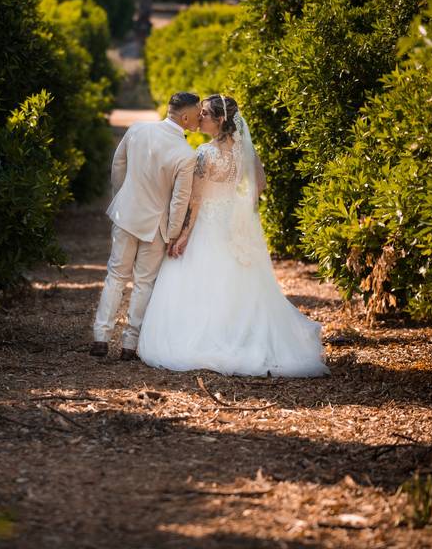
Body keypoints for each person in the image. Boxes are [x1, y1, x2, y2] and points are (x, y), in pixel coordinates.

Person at [138, 94, 329, 377]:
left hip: (206, 223)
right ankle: (239, 335)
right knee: (236, 283)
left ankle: (209, 338)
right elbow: (260, 183)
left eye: (205, 113)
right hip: (231, 222)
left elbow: (195, 200)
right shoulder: (243, 152)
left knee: (203, 279)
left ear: (220, 120)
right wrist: (242, 210)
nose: (200, 117)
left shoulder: (205, 153)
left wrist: (183, 235)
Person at [91, 92, 201, 360]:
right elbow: (179, 200)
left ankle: (100, 336)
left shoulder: (138, 129)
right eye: (198, 114)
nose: (200, 119)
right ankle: (130, 343)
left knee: (115, 277)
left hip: (127, 215)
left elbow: (118, 164)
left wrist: (123, 197)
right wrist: (174, 233)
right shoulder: (186, 154)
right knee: (144, 284)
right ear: (185, 117)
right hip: (156, 226)